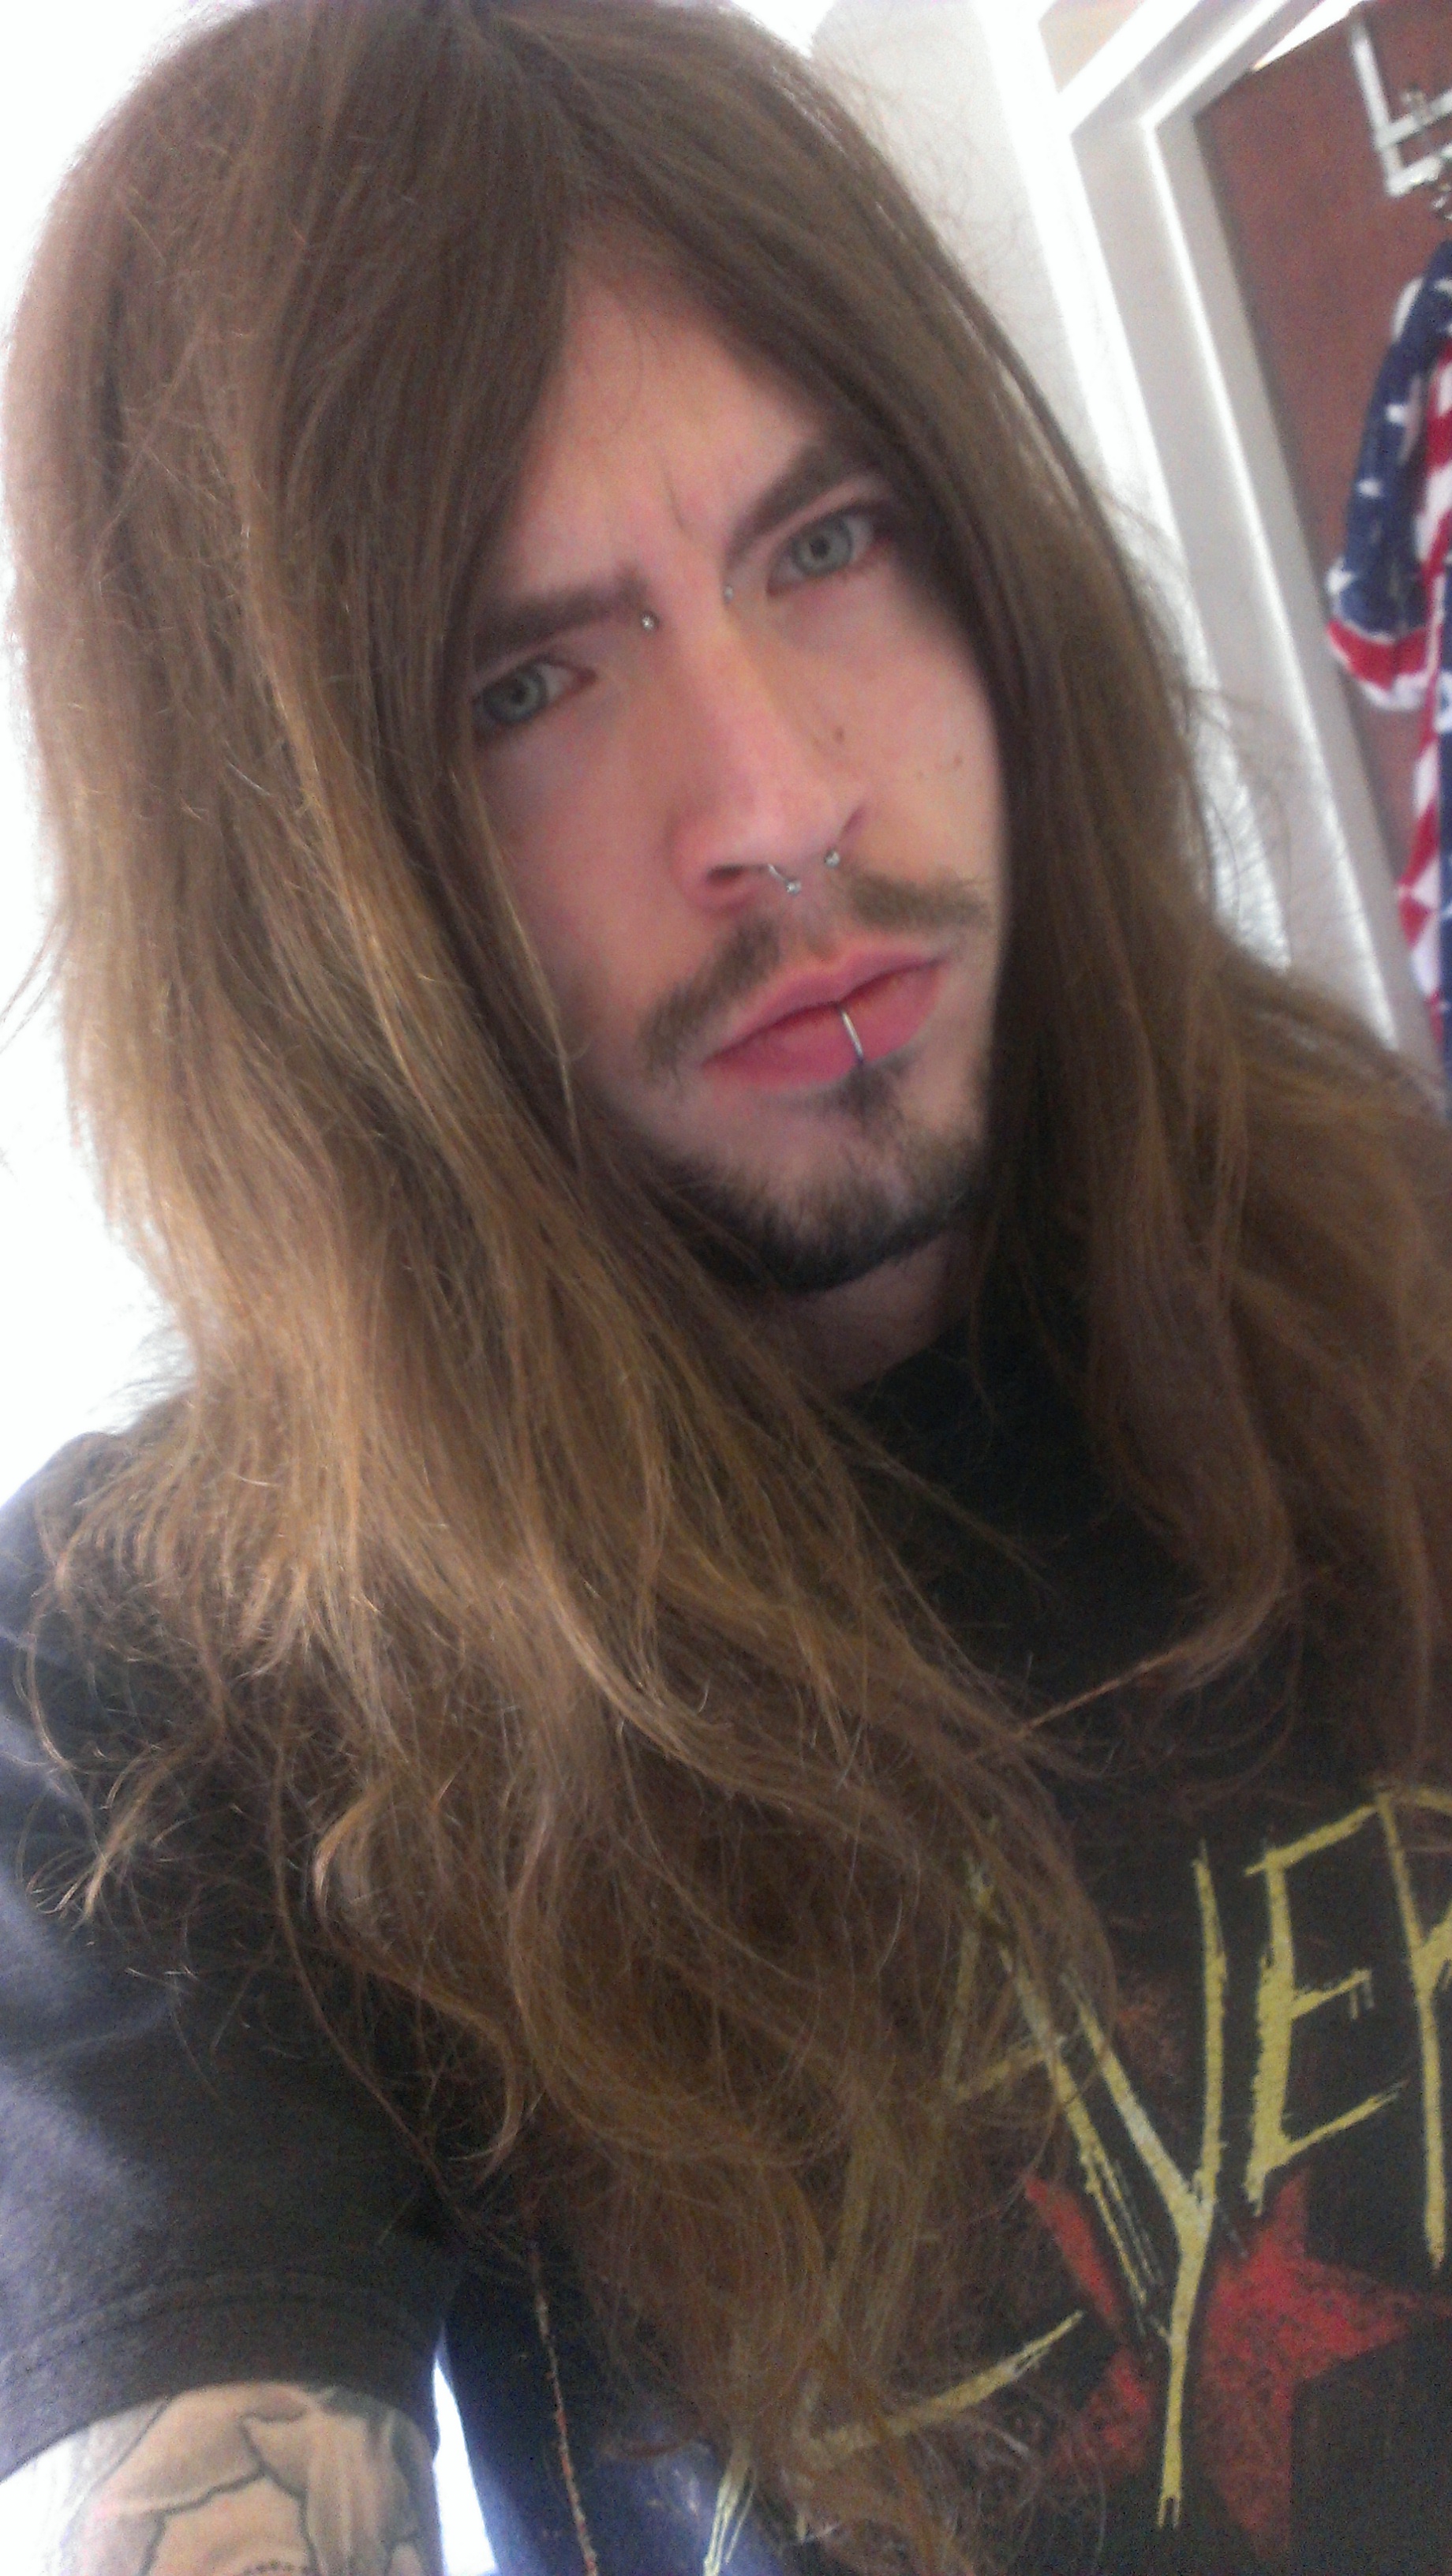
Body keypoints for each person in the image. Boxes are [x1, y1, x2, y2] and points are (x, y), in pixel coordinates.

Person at [2, 2, 1450, 2570]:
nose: (777, 802)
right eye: (524, 685)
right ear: (293, 883)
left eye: (825, 543)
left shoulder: (1377, 1230)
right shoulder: (181, 1685)